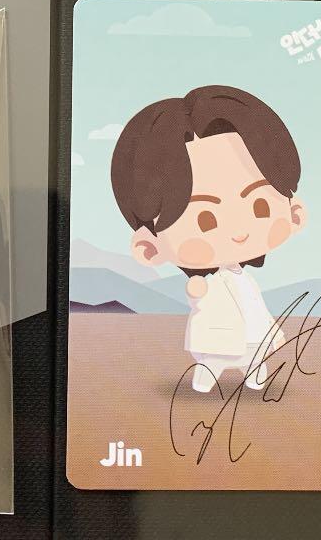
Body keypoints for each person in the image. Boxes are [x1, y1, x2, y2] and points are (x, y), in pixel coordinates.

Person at [110, 85, 306, 393]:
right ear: (149, 247)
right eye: (206, 219)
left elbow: (254, 304)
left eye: (259, 205)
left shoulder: (243, 277)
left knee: (255, 352)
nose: (238, 230)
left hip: (251, 334)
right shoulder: (212, 282)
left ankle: (253, 374)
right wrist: (197, 288)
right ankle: (207, 377)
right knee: (213, 358)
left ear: (295, 212)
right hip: (217, 335)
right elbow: (198, 293)